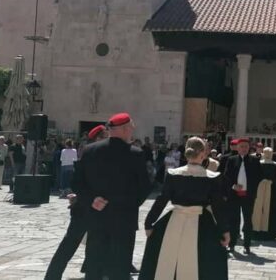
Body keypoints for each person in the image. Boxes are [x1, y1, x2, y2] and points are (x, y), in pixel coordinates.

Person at [139, 137, 229, 280]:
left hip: (174, 221)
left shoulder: (173, 174)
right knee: (204, 261)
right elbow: (218, 206)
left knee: (166, 258)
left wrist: (149, 223)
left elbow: (162, 200)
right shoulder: (212, 177)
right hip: (202, 224)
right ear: (203, 154)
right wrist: (224, 230)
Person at [74, 113, 150, 279]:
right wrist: (129, 204)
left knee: (94, 265)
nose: (132, 131)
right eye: (130, 128)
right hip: (124, 219)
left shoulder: (90, 150)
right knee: (120, 268)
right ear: (123, 129)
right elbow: (145, 187)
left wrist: (92, 200)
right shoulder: (135, 154)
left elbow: (77, 183)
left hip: (96, 217)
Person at [44, 125, 109, 280]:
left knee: (95, 245)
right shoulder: (89, 156)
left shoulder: (104, 157)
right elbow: (79, 183)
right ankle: (52, 276)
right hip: (84, 209)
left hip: (96, 209)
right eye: (105, 137)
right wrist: (82, 197)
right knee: (70, 244)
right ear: (98, 139)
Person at [222, 138, 260, 254]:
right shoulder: (231, 160)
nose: (244, 149)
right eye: (242, 146)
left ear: (249, 148)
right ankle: (232, 244)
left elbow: (259, 177)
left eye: (246, 147)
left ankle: (247, 245)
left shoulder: (254, 160)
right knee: (234, 220)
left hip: (248, 195)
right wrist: (233, 186)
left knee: (248, 220)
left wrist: (251, 187)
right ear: (237, 148)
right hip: (234, 195)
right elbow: (226, 176)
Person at [252, 147, 276, 240]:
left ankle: (256, 230)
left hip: (264, 190)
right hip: (271, 191)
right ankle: (264, 232)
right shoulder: (275, 165)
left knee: (260, 210)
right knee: (265, 210)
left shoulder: (261, 164)